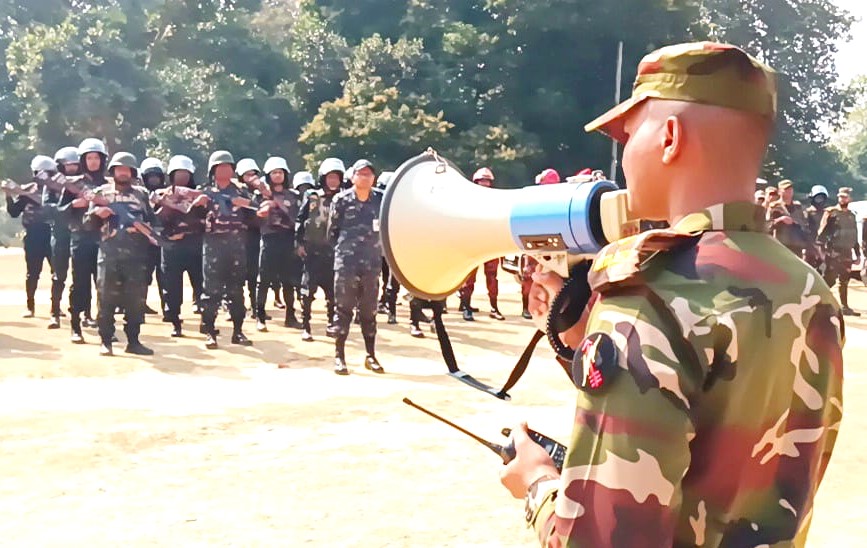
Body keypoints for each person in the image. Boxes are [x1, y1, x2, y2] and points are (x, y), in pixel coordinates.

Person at [501, 42, 843, 547]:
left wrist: (537, 484)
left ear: (669, 137)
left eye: (627, 132)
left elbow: (601, 538)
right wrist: (583, 342)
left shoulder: (648, 296)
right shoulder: (809, 290)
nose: (621, 153)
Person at [85, 152, 155, 356]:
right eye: (119, 169)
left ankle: (133, 341)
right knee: (106, 299)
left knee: (135, 301)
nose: (123, 173)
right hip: (109, 256)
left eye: (127, 169)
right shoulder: (100, 193)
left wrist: (144, 229)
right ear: (113, 171)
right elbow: (87, 224)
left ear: (132, 172)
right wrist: (97, 214)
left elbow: (153, 222)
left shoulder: (141, 194)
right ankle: (106, 341)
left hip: (136, 257)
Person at [328, 159, 384, 375]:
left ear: (374, 178)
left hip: (371, 263)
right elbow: (332, 232)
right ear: (352, 177)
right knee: (343, 309)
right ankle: (339, 357)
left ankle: (371, 355)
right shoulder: (341, 200)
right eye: (360, 174)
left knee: (369, 310)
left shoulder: (380, 199)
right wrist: (344, 254)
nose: (365, 177)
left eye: (369, 174)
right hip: (347, 264)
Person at [197, 150, 255, 349]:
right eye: (220, 167)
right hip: (213, 246)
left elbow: (254, 217)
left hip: (236, 246)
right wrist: (198, 206)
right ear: (212, 170)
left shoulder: (241, 193)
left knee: (236, 291)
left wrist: (252, 206)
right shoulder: (204, 192)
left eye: (228, 167)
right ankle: (210, 332)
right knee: (210, 292)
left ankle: (238, 332)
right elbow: (192, 219)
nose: (224, 170)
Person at [58, 137, 107, 342]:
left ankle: (106, 327)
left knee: (105, 284)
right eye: (89, 157)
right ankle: (76, 326)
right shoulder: (73, 184)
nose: (93, 161)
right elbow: (58, 212)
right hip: (81, 238)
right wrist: (73, 206)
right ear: (83, 160)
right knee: (80, 283)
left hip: (104, 239)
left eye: (97, 157)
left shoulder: (108, 184)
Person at [154, 154, 204, 337]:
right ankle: (175, 322)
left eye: (185, 173)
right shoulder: (161, 194)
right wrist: (167, 204)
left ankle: (206, 322)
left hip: (195, 246)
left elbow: (208, 219)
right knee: (172, 288)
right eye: (178, 173)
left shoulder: (199, 195)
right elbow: (154, 221)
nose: (182, 177)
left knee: (201, 286)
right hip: (171, 247)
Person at [296, 158, 343, 342]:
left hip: (333, 251)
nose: (333, 181)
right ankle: (305, 325)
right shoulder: (314, 197)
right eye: (330, 177)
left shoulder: (342, 199)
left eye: (336, 178)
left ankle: (332, 323)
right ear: (323, 178)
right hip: (312, 250)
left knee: (333, 293)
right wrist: (298, 243)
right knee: (307, 291)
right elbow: (301, 220)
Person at [254, 156, 302, 332]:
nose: (277, 175)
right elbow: (253, 217)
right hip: (269, 239)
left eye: (280, 172)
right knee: (264, 280)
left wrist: (276, 204)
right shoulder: (259, 196)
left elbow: (297, 217)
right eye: (274, 172)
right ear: (268, 175)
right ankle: (260, 316)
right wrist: (262, 211)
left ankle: (291, 315)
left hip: (288, 239)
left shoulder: (293, 196)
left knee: (288, 280)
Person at [4, 155, 54, 318]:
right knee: (32, 272)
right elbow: (14, 212)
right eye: (40, 172)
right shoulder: (27, 190)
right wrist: (9, 195)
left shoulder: (56, 191)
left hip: (52, 234)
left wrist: (19, 190)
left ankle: (56, 307)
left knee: (57, 273)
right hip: (33, 234)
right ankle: (30, 306)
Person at [459, 167, 505, 321]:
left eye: (487, 183)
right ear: (476, 183)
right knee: (469, 277)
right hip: (473, 243)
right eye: (482, 182)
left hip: (490, 242)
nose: (485, 185)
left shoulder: (496, 200)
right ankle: (466, 307)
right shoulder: (467, 201)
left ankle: (494, 307)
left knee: (492, 277)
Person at [519, 169, 562, 319]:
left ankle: (541, 307)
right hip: (536, 244)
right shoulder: (535, 202)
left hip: (545, 245)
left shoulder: (554, 203)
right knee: (531, 275)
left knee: (538, 275)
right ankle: (529, 307)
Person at [818, 186, 861, 316]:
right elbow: (822, 233)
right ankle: (818, 302)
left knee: (844, 280)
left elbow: (854, 235)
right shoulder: (831, 213)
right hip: (833, 252)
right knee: (829, 280)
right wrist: (822, 252)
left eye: (845, 197)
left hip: (846, 252)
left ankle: (844, 306)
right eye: (840, 196)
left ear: (849, 198)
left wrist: (857, 254)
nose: (842, 199)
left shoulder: (851, 216)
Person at [236, 158, 265, 318]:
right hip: (239, 237)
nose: (252, 177)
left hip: (255, 236)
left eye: (254, 174)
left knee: (254, 274)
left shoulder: (261, 192)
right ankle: (235, 307)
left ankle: (255, 307)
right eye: (248, 174)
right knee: (237, 275)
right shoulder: (237, 191)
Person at [140, 157, 167, 317]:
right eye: (150, 176)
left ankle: (167, 309)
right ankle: (140, 305)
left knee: (164, 277)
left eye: (156, 176)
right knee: (143, 276)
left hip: (163, 240)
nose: (154, 179)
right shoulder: (140, 194)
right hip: (145, 241)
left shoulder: (167, 193)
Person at [766, 179, 808, 256]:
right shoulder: (775, 207)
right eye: (786, 189)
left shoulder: (798, 207)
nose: (789, 191)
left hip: (796, 246)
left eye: (791, 189)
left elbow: (804, 225)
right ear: (779, 191)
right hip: (781, 245)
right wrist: (780, 220)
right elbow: (767, 225)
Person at [804, 184, 829, 270]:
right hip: (810, 247)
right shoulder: (807, 213)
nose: (820, 201)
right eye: (818, 198)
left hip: (824, 247)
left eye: (822, 198)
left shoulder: (828, 213)